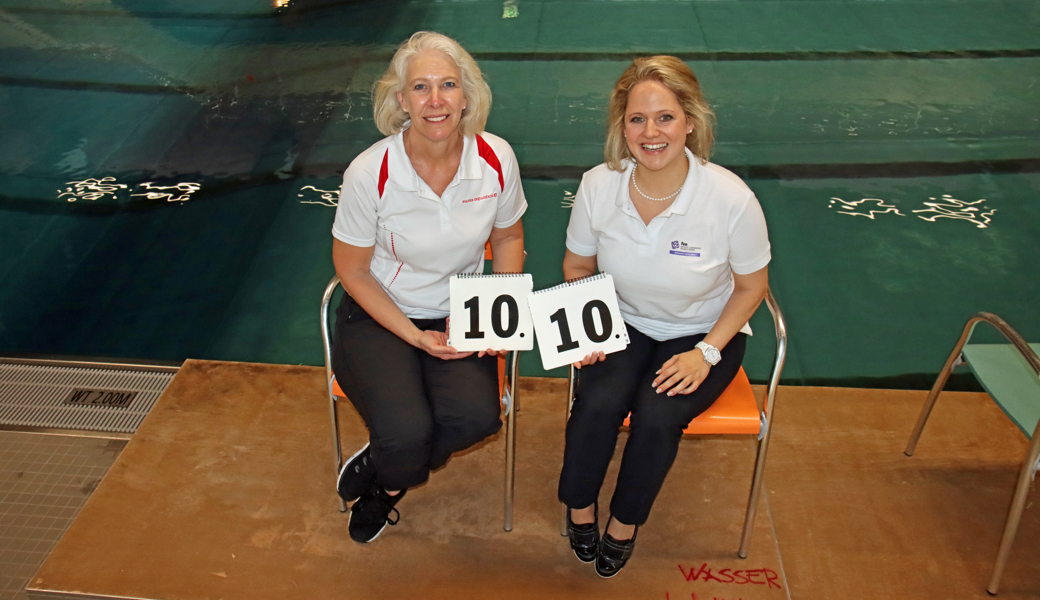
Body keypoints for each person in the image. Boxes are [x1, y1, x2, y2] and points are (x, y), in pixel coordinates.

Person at [557, 56, 770, 577]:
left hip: (702, 331)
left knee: (657, 415)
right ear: (621, 126)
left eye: (665, 118)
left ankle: (625, 522)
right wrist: (588, 325)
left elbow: (751, 288)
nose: (650, 133)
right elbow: (578, 266)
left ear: (690, 121)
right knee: (598, 401)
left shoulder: (730, 199)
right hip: (621, 322)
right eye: (636, 119)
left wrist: (707, 353)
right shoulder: (598, 185)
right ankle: (580, 506)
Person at [330, 31, 526, 544]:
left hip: (459, 313)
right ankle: (391, 469)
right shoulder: (370, 172)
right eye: (421, 87)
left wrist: (496, 311)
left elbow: (508, 236)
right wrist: (414, 336)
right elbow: (351, 270)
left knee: (478, 419)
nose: (435, 100)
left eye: (447, 85)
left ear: (467, 96)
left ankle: (384, 478)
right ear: (401, 100)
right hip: (378, 314)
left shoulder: (496, 158)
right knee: (407, 432)